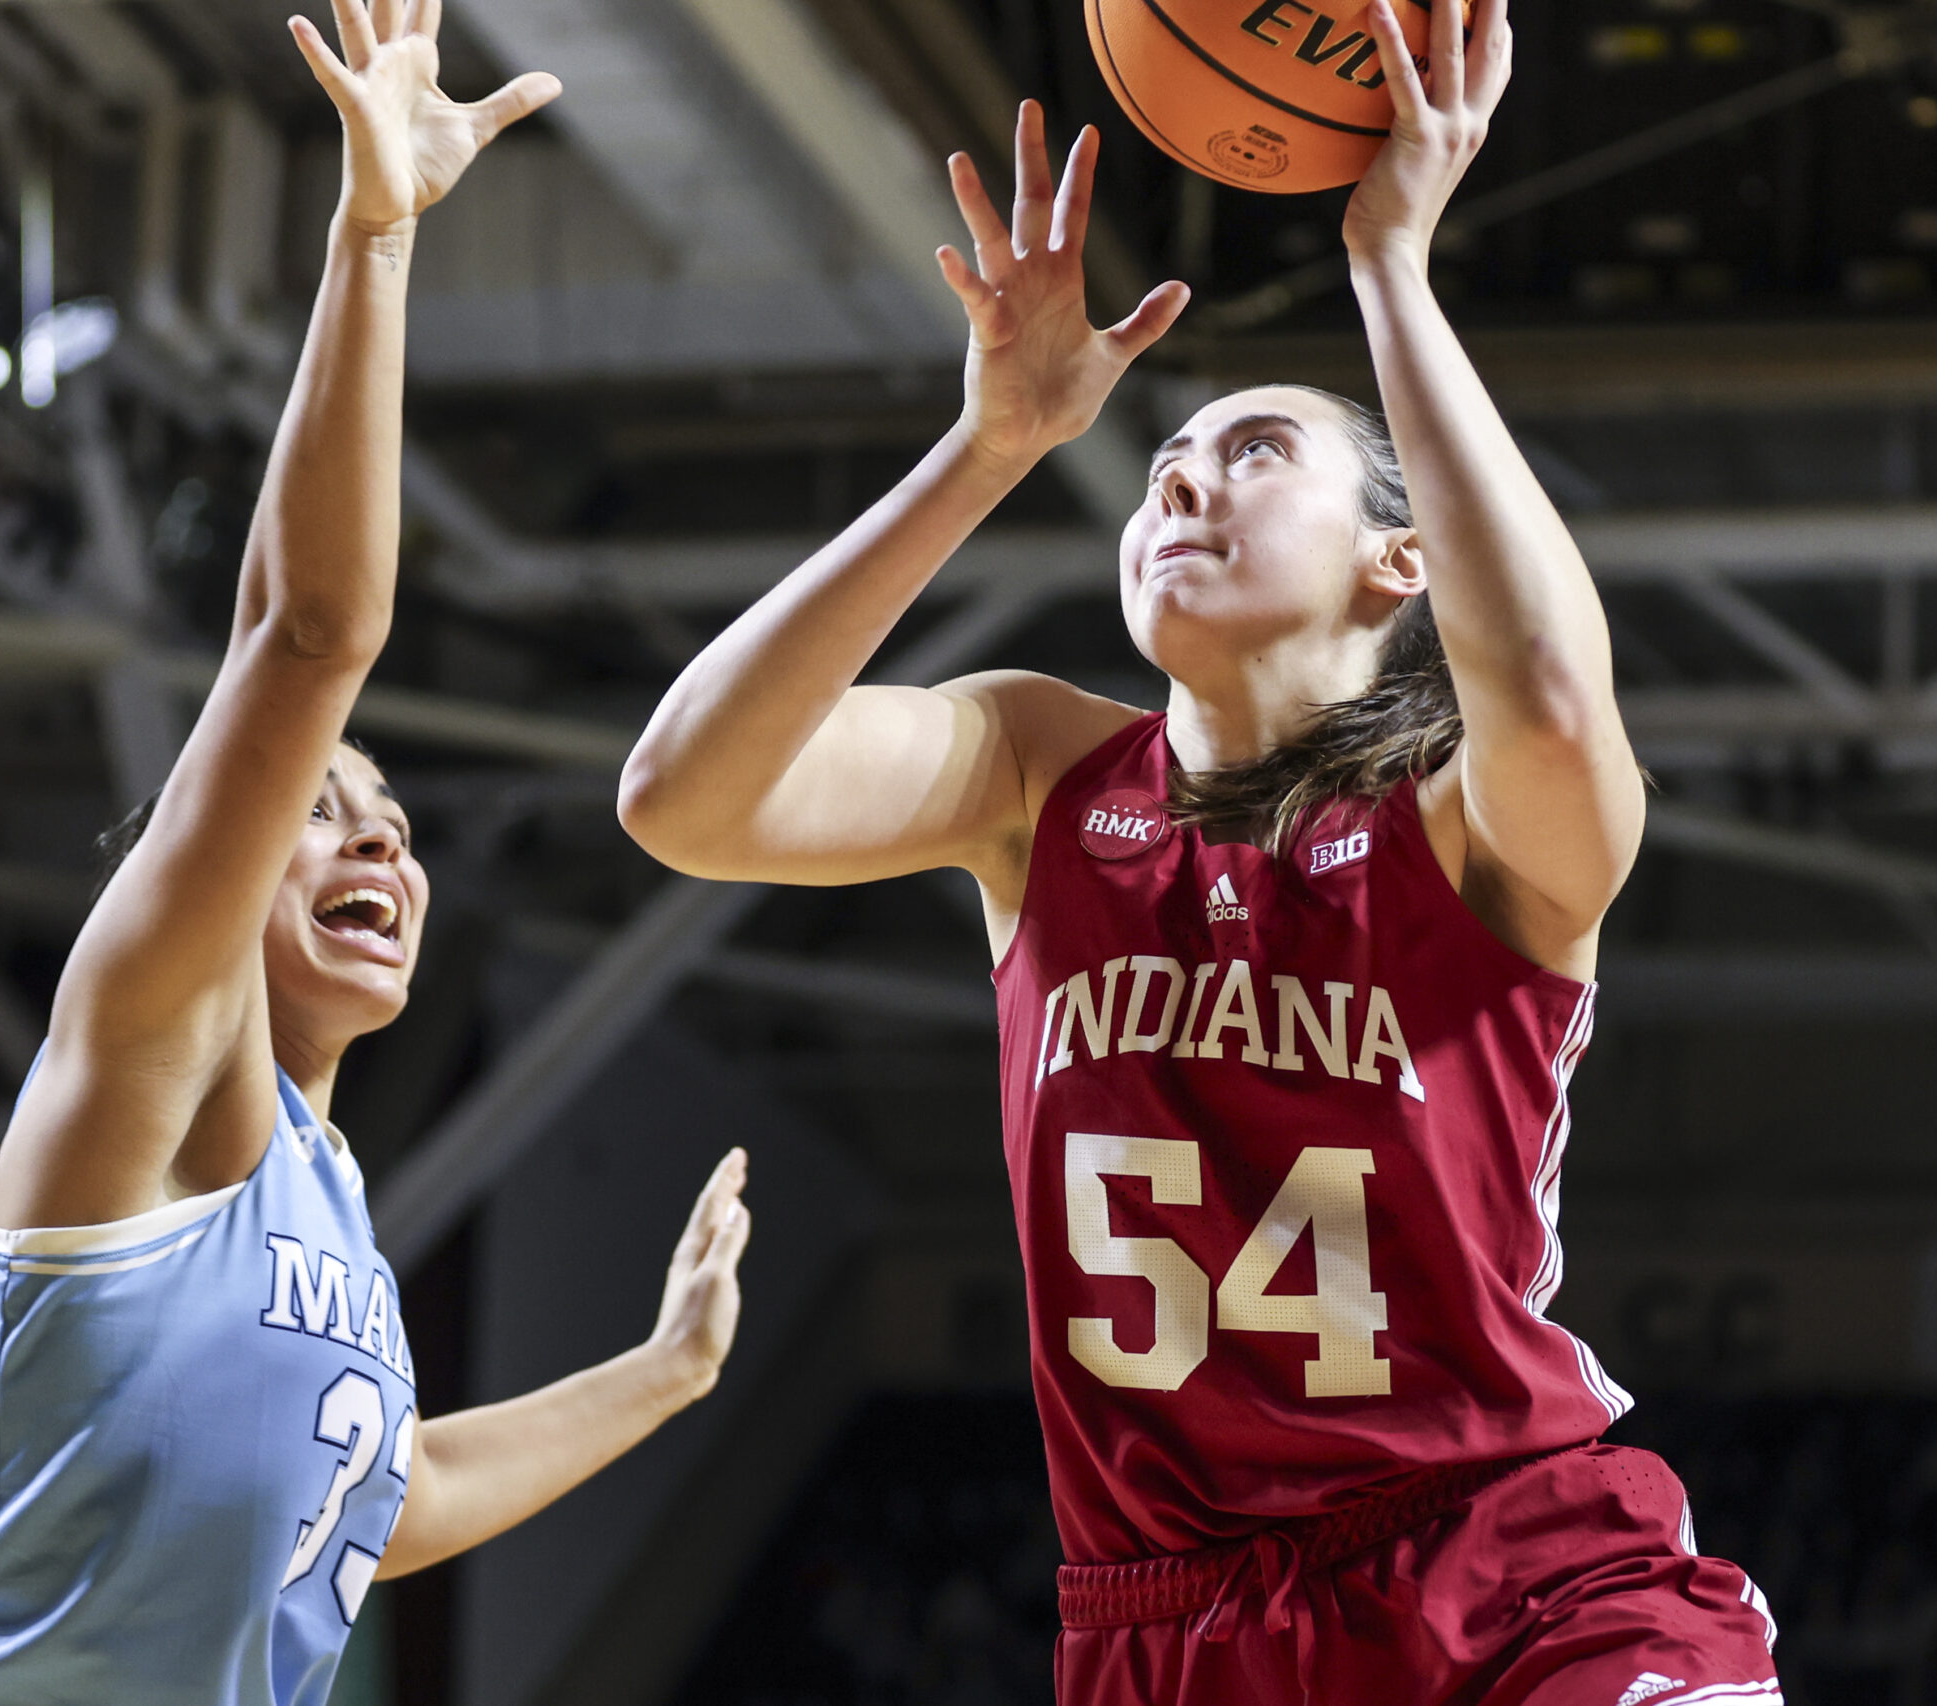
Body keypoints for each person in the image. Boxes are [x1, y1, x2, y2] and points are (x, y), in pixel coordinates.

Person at [615, 0, 1777, 1700]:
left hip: (1519, 1567)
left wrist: (1393, 264)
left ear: (1399, 561)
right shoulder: (1034, 770)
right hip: (1170, 1625)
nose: (1181, 484)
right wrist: (985, 449)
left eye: (1253, 450)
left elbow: (1533, 673)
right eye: (1163, 458)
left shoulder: (1470, 831)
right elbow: (682, 794)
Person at [0, 5, 752, 1701]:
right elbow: (307, 630)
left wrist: (668, 1373)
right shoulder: (153, 1045)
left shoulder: (320, 1203)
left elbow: (377, 1492)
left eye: (397, 828)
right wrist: (376, 238)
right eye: (324, 812)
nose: (380, 847)